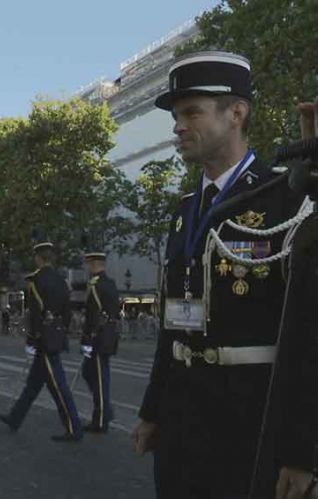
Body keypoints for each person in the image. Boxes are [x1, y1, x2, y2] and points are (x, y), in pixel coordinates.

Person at [131, 51, 313, 498]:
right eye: (176, 115)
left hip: (252, 422)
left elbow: (310, 332)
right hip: (182, 420)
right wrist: (153, 409)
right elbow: (173, 322)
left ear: (236, 113)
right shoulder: (185, 211)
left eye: (192, 111)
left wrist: (303, 450)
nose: (178, 125)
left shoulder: (288, 197)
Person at [0, 240, 83, 442]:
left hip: (44, 341)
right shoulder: (62, 282)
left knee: (59, 387)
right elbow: (67, 313)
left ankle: (74, 427)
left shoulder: (36, 281)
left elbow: (35, 315)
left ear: (39, 258)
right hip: (56, 336)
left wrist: (31, 340)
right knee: (32, 385)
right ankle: (15, 417)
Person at [80, 251, 119, 434]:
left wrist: (87, 338)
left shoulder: (95, 285)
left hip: (98, 336)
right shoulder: (111, 283)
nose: (87, 266)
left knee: (100, 379)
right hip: (109, 334)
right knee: (89, 372)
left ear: (94, 263)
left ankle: (101, 419)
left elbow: (92, 315)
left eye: (88, 263)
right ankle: (105, 411)